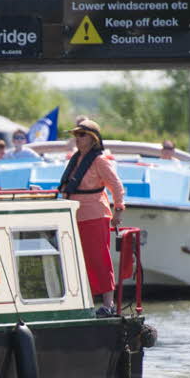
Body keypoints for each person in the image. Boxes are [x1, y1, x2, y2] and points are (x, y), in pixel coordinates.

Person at [57, 119, 125, 317]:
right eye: (76, 135)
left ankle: (108, 304)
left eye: (81, 135)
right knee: (80, 260)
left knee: (99, 259)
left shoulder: (99, 160)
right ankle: (85, 301)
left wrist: (119, 209)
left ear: (93, 139)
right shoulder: (77, 159)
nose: (77, 139)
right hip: (75, 215)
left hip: (95, 215)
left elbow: (116, 186)